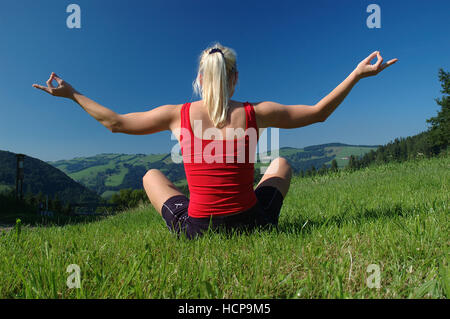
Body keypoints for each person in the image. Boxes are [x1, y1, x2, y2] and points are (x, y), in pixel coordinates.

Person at [33, 43, 397, 239]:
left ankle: (199, 209)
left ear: (199, 79)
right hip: (254, 223)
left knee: (149, 176)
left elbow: (114, 123)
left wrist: (72, 94)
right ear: (234, 78)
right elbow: (319, 112)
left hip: (198, 230)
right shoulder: (257, 111)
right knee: (282, 163)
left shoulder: (177, 114)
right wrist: (358, 74)